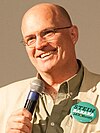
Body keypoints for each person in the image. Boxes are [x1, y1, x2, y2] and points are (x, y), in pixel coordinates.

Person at [0, 2, 100, 133]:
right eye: (30, 39)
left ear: (73, 34)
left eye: (48, 33)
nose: (39, 45)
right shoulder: (3, 100)